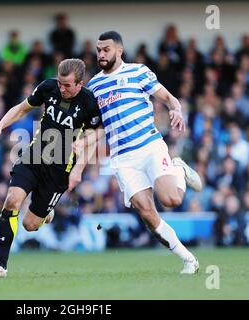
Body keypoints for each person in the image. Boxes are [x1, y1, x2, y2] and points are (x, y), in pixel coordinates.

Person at [76, 31, 202, 274]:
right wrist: (84, 142)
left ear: (119, 51)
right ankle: (189, 260)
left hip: (149, 146)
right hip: (123, 158)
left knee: (171, 200)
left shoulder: (138, 72)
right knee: (147, 214)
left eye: (106, 50)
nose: (101, 54)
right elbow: (99, 126)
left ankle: (178, 168)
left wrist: (176, 110)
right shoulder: (94, 86)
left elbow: (168, 97)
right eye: (99, 50)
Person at [0, 58, 102, 278]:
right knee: (12, 200)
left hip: (59, 170)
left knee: (30, 225)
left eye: (67, 85)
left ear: (80, 84)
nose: (61, 88)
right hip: (34, 157)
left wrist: (79, 168)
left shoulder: (89, 102)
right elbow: (21, 109)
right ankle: (0, 264)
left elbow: (97, 133)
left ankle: (46, 211)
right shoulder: (48, 87)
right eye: (60, 83)